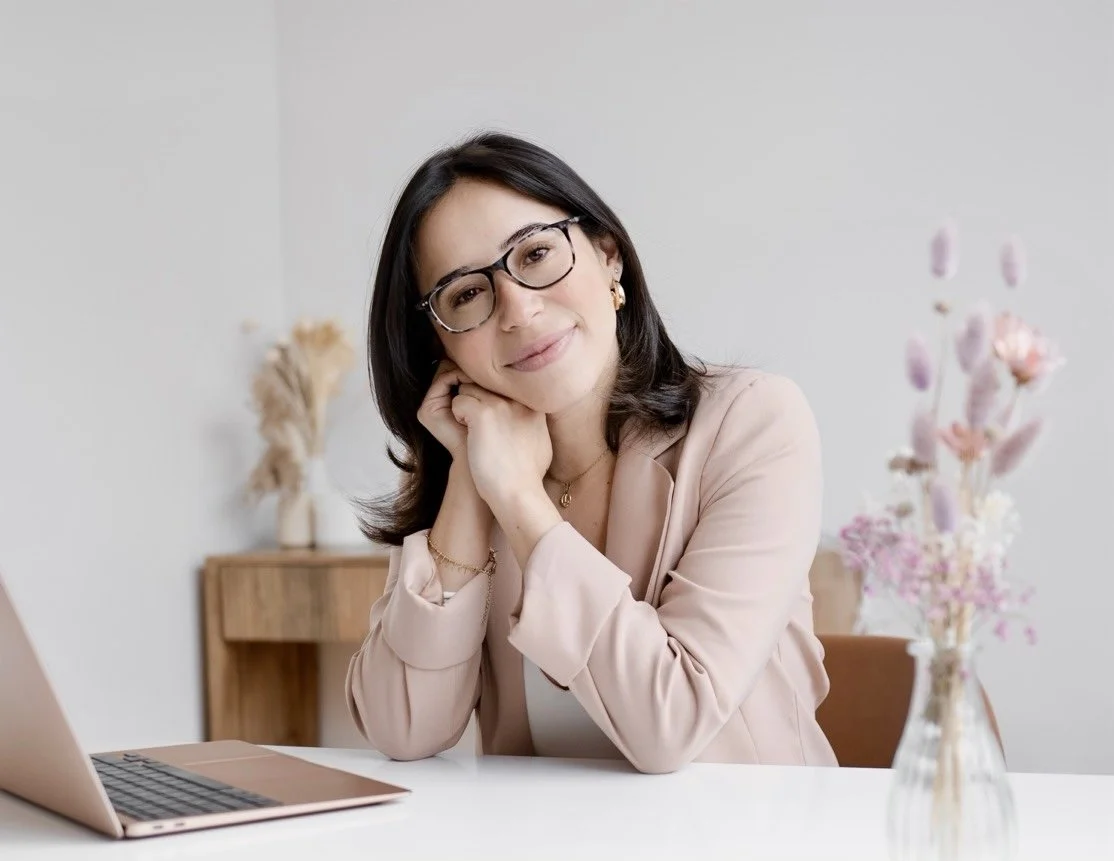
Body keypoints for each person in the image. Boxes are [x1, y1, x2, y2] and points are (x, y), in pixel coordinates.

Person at [346, 131, 838, 773]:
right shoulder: (475, 467)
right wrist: (471, 477)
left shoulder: (751, 421)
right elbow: (403, 727)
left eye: (537, 254)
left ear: (609, 257)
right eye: (466, 293)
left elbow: (673, 720)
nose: (518, 310)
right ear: (440, 345)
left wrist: (523, 506)